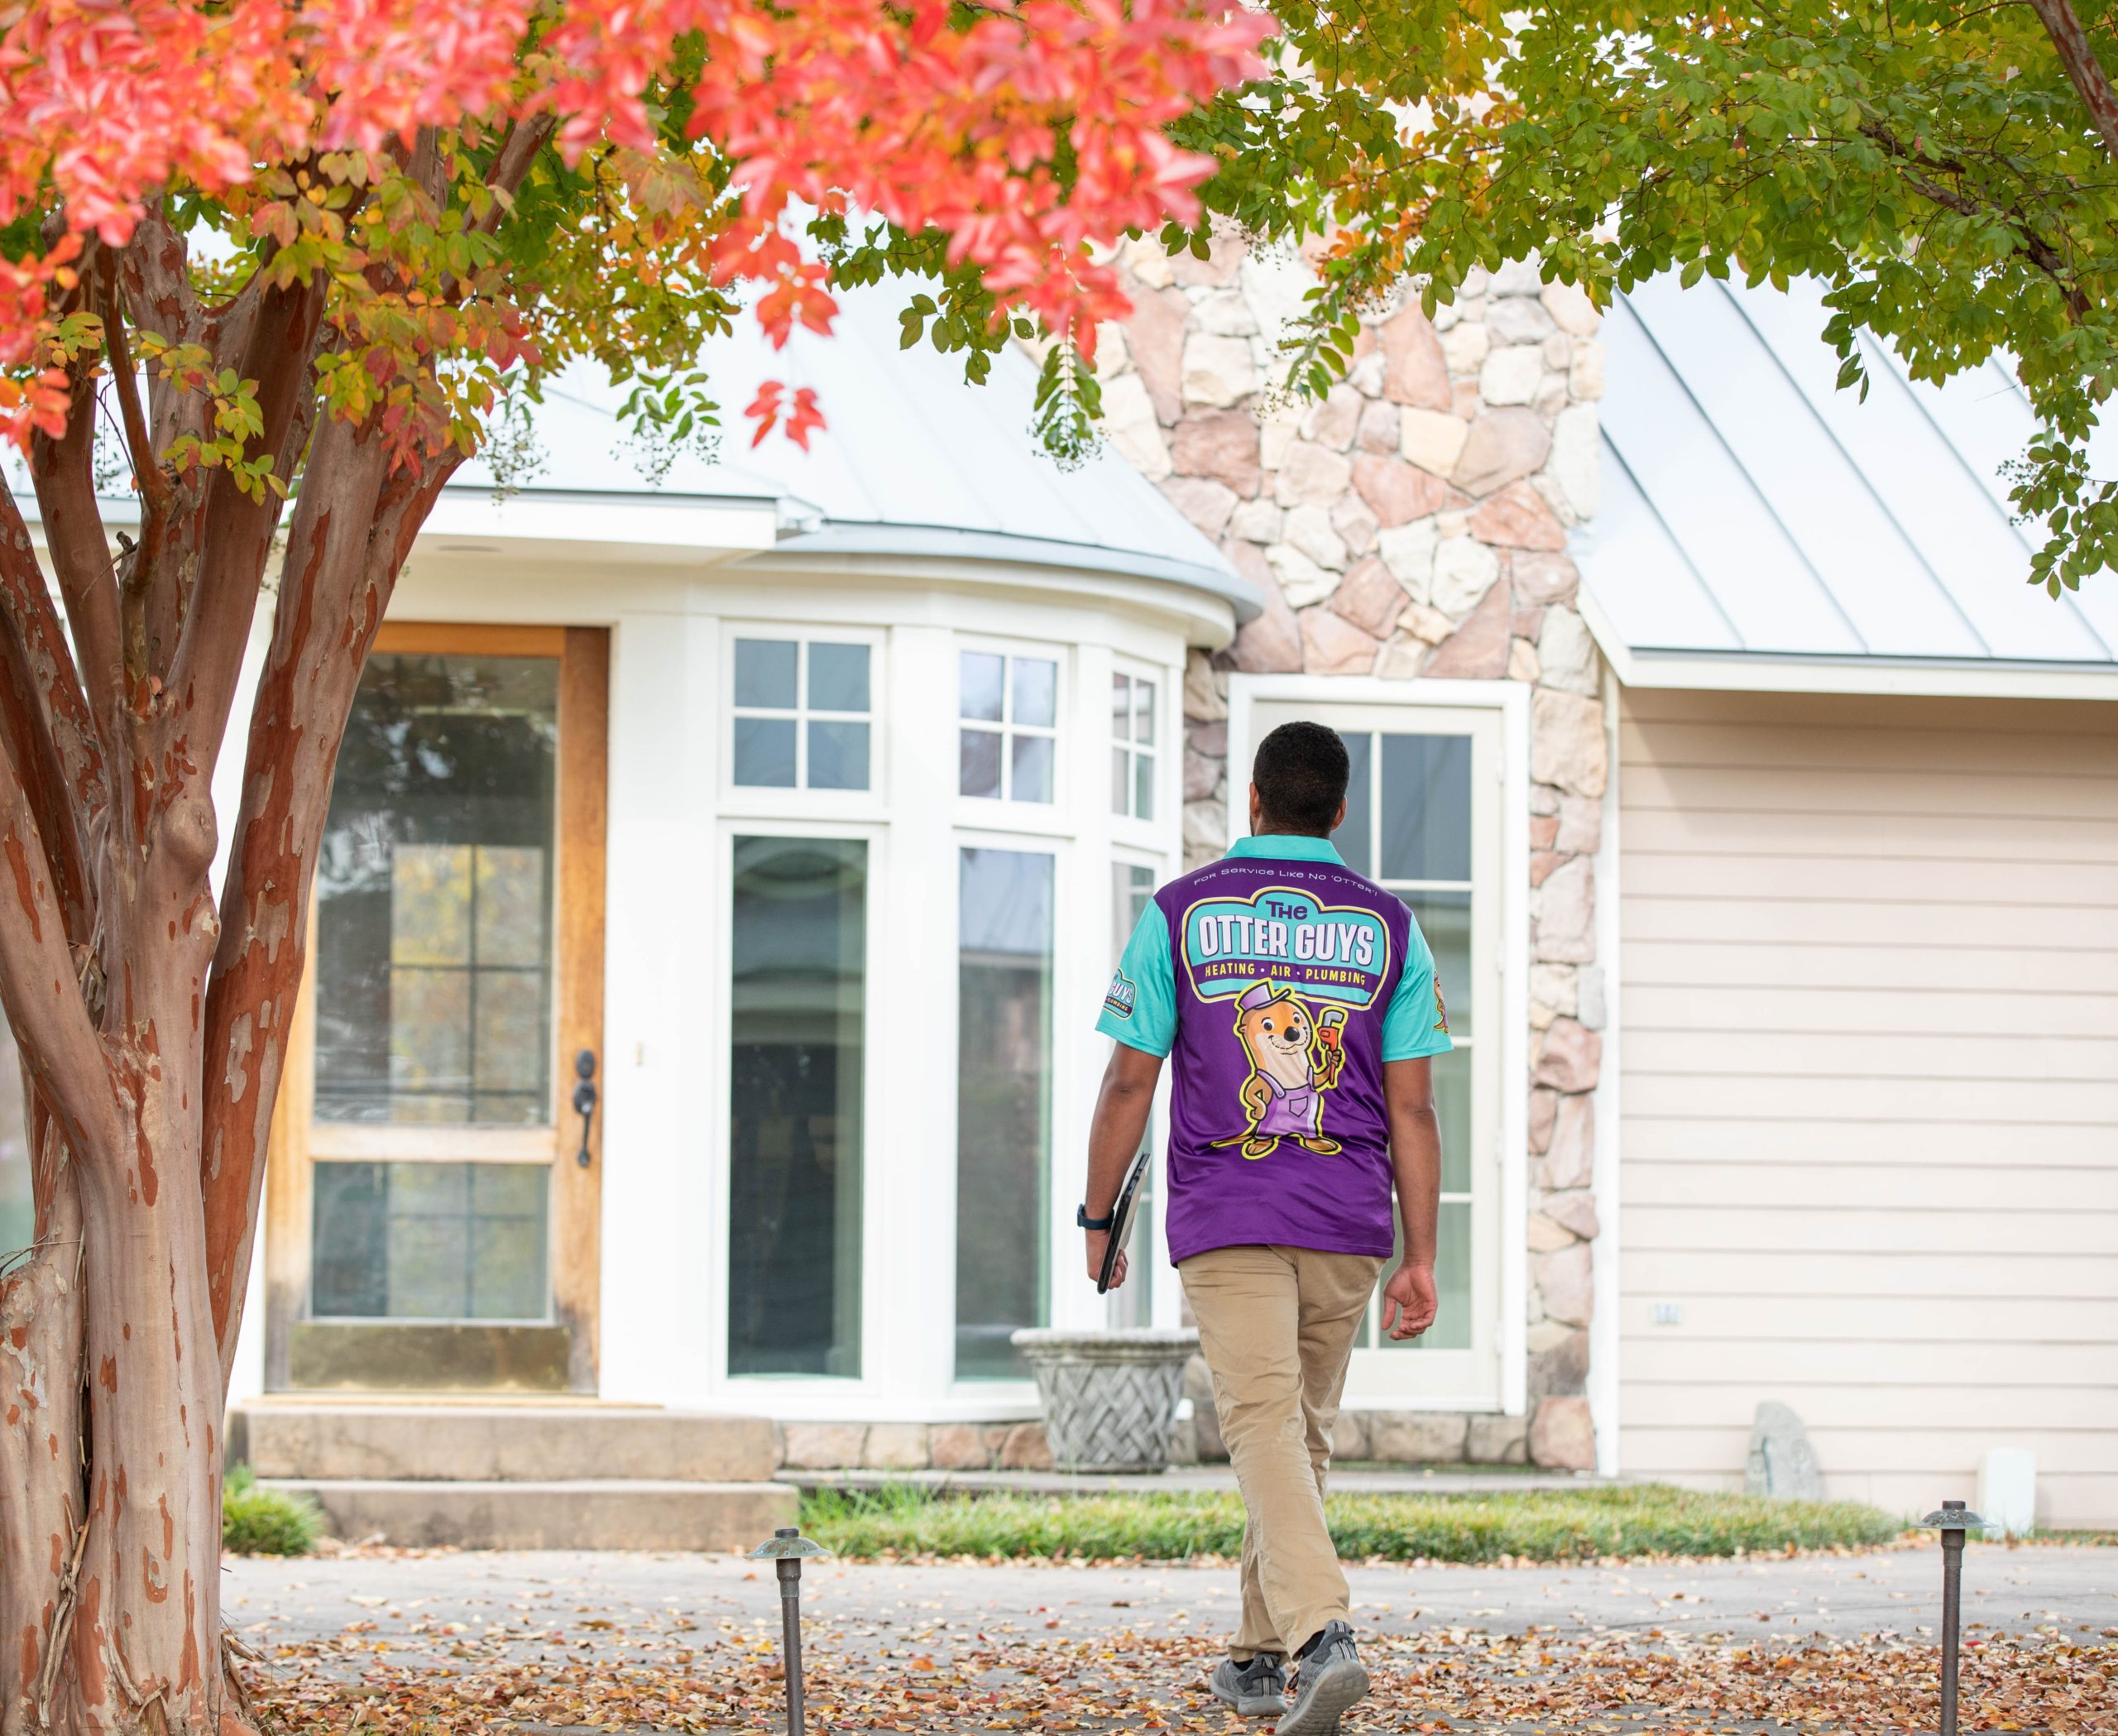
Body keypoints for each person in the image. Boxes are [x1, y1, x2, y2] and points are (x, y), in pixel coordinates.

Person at [1080, 720, 1450, 1734]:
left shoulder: (1179, 912)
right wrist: (1420, 1254)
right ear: (1339, 811)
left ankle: (1322, 1637)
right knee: (1295, 1432)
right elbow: (1414, 1109)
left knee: (1262, 1423)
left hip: (1228, 1211)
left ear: (1252, 799)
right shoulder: (1390, 927)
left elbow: (1127, 1083)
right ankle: (1254, 1656)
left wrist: (1097, 1214)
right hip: (1348, 1217)